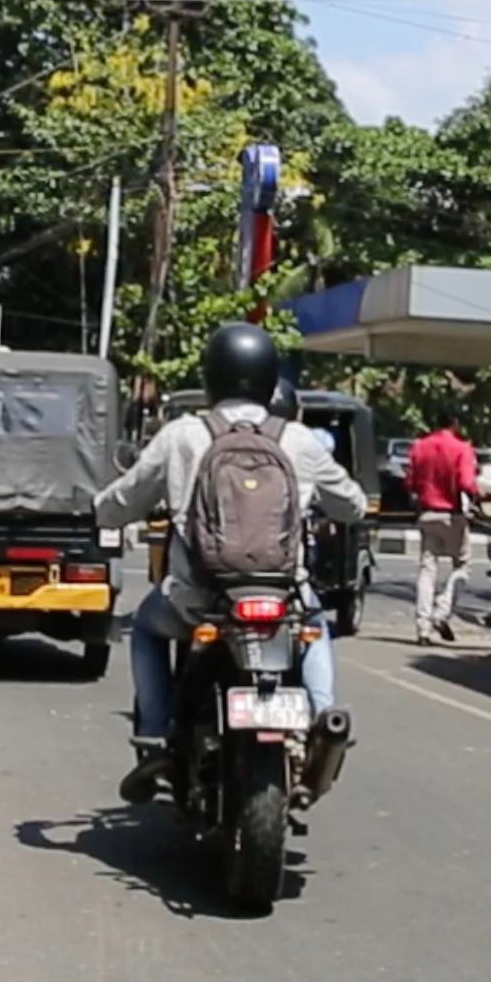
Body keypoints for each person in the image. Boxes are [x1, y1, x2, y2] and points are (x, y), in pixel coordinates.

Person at [95, 325, 369, 802]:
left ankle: (156, 738)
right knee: (317, 627)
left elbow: (124, 500)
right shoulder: (299, 440)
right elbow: (353, 505)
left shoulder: (182, 435)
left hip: (199, 597)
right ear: (268, 378)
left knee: (144, 627)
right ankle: (324, 719)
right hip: (283, 594)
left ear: (212, 377)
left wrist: (100, 509)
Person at [404, 405, 482, 643]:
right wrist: (480, 496)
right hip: (452, 515)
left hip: (427, 514)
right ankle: (442, 611)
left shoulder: (419, 446)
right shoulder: (462, 448)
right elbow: (466, 482)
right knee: (463, 566)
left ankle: (422, 627)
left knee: (427, 569)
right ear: (455, 423)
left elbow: (410, 483)